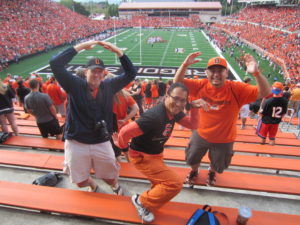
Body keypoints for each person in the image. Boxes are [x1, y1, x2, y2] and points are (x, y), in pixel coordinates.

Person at [49, 40, 136, 195]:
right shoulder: (75, 84)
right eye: (93, 71)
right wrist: (82, 46)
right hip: (77, 140)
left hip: (101, 140)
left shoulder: (109, 86)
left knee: (110, 175)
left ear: (104, 73)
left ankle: (115, 187)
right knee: (79, 181)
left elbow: (131, 73)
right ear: (86, 72)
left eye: (99, 71)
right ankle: (93, 186)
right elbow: (55, 63)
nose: (96, 74)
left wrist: (118, 52)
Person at [174, 53, 270, 186]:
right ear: (206, 72)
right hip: (200, 133)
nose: (216, 74)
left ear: (227, 73)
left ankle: (211, 172)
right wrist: (184, 65)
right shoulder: (200, 85)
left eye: (220, 71)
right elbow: (177, 84)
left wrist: (256, 73)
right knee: (192, 158)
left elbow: (265, 93)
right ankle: (194, 171)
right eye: (212, 71)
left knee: (219, 165)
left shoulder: (236, 88)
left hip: (224, 138)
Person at [113, 83, 200, 223]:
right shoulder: (153, 117)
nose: (178, 104)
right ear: (166, 96)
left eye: (183, 100)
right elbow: (125, 131)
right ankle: (141, 201)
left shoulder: (174, 111)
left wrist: (195, 108)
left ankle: (149, 200)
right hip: (143, 156)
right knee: (174, 183)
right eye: (175, 98)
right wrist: (122, 146)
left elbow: (193, 125)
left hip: (156, 153)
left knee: (160, 183)